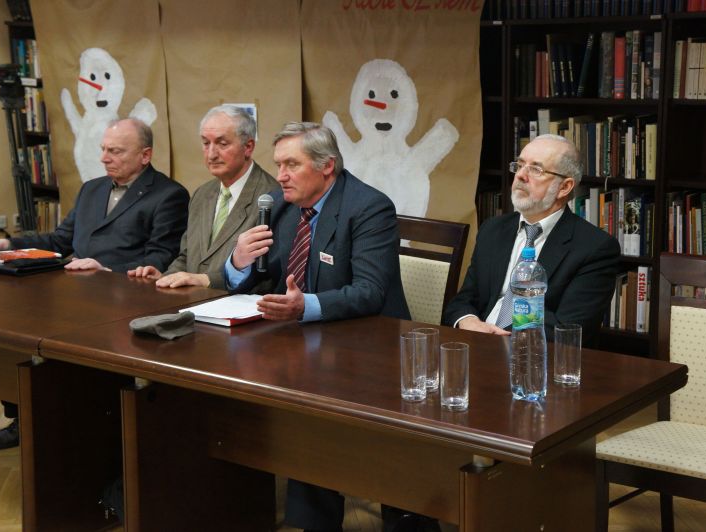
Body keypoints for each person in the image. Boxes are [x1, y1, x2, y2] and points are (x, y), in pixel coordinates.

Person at [225, 121, 412, 532]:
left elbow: (370, 292)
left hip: (370, 351)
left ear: (327, 166)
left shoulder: (369, 207)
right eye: (278, 164)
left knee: (310, 413)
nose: (281, 176)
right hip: (304, 346)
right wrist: (238, 261)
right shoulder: (281, 205)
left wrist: (304, 306)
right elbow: (262, 275)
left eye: (291, 165)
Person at [0, 118, 189, 451]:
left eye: (116, 151)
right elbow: (59, 240)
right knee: (17, 334)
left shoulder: (169, 195)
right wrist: (4, 245)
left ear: (145, 155)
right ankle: (25, 417)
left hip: (124, 304)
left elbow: (160, 258)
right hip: (73, 296)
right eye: (104, 149)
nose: (105, 158)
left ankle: (85, 435)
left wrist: (105, 268)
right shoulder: (92, 188)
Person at [443, 134, 620, 347]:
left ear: (564, 187)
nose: (520, 176)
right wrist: (468, 321)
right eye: (519, 165)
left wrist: (497, 338)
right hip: (476, 345)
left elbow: (568, 328)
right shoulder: (493, 229)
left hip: (534, 356)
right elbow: (464, 300)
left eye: (536, 169)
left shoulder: (595, 248)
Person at [127, 105, 276, 288]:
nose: (211, 154)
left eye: (222, 144)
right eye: (206, 143)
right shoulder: (202, 193)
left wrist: (204, 280)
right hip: (192, 300)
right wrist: (165, 278)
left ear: (248, 147)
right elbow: (186, 257)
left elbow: (266, 275)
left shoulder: (270, 197)